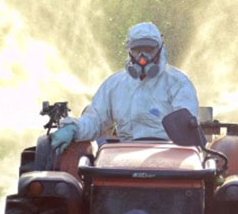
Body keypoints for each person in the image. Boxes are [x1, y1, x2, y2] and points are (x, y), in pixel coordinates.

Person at [51, 22, 199, 152]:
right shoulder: (115, 84)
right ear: (129, 51)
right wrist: (74, 128)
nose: (142, 57)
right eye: (137, 50)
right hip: (123, 156)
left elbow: (186, 130)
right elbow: (95, 120)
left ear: (160, 49)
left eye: (149, 49)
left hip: (170, 156)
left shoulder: (178, 83)